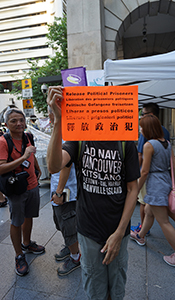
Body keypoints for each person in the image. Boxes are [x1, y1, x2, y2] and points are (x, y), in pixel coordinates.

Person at [46, 86, 140, 300]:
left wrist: (119, 232)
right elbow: (53, 166)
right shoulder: (79, 140)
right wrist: (58, 122)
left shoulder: (126, 143)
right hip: (88, 230)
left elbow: (133, 188)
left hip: (118, 229)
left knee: (116, 288)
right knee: (95, 288)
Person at [131, 114, 175, 268]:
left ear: (148, 128)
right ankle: (140, 236)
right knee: (150, 211)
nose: (140, 130)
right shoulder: (167, 143)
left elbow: (144, 172)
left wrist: (136, 189)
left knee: (163, 222)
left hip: (155, 184)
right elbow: (174, 166)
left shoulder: (149, 145)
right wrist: (173, 185)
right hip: (165, 182)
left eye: (142, 127)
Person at [0, 108, 45, 276]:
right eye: (14, 121)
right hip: (15, 188)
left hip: (32, 185)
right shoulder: (3, 142)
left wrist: (37, 167)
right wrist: (24, 158)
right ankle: (19, 256)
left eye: (21, 120)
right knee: (17, 221)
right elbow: (1, 168)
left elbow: (31, 156)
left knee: (29, 216)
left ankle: (27, 243)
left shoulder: (28, 136)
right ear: (6, 124)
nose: (19, 123)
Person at [48, 106, 80, 276]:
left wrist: (59, 192)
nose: (49, 115)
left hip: (67, 191)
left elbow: (66, 166)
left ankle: (76, 257)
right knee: (61, 224)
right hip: (59, 189)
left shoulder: (67, 133)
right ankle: (70, 248)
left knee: (68, 226)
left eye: (52, 111)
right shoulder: (59, 132)